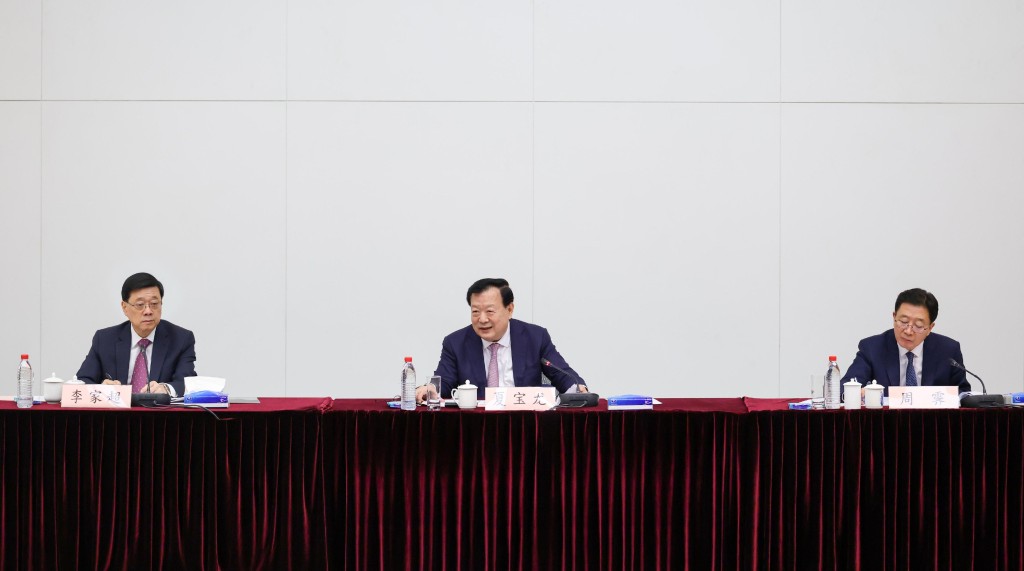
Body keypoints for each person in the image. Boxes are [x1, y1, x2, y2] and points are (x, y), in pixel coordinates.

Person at [416, 278, 589, 402]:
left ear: (510, 309)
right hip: (477, 428)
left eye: (490, 311)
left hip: (526, 425)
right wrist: (431, 389)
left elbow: (562, 374)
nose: (482, 319)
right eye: (475, 311)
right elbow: (444, 381)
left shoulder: (535, 337)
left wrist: (578, 389)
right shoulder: (455, 343)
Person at [76, 272, 197, 396]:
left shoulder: (181, 339)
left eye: (154, 304)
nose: (148, 311)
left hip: (160, 413)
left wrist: (166, 389)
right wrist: (101, 388)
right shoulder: (104, 339)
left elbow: (187, 382)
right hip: (116, 414)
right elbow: (82, 382)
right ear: (124, 307)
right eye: (140, 305)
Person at [841, 288, 969, 395]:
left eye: (918, 325)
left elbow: (963, 393)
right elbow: (845, 388)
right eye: (903, 322)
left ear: (930, 328)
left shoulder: (948, 351)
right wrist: (857, 393)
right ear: (894, 317)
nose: (908, 331)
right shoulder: (872, 348)